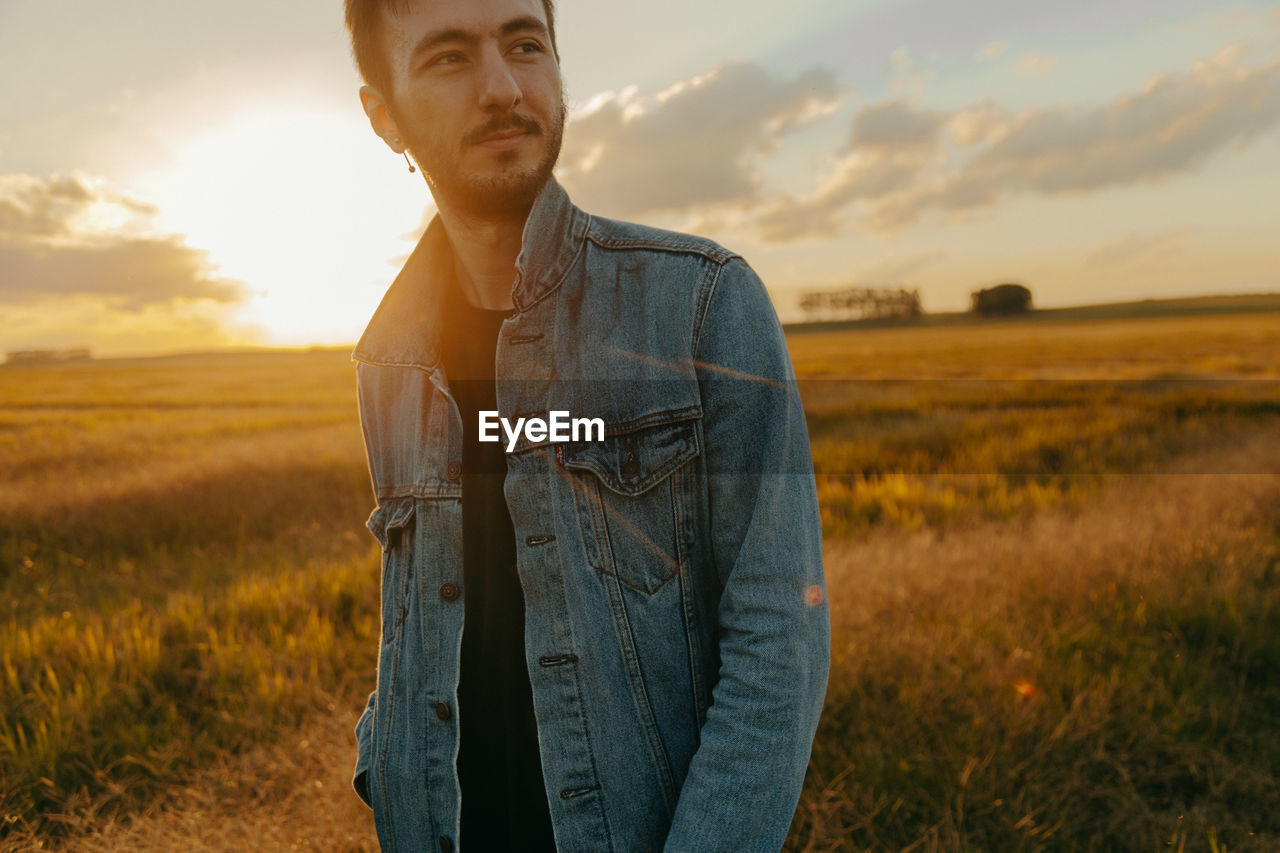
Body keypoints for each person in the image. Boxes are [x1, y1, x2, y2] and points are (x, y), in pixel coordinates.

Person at [343, 0, 830, 850]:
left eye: (525, 44)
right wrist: (383, 764)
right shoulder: (389, 355)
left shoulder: (701, 305)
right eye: (450, 58)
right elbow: (417, 612)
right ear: (383, 115)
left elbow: (778, 637)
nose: (502, 87)